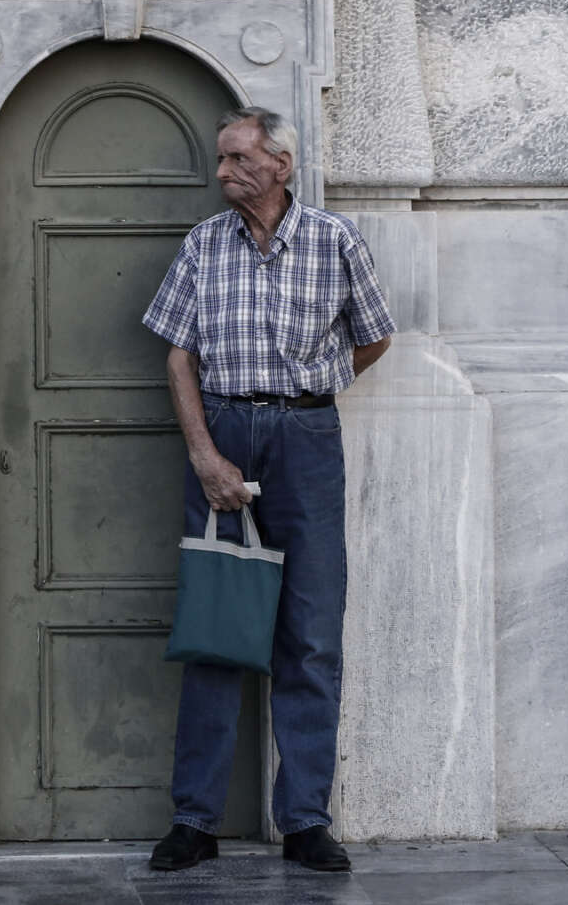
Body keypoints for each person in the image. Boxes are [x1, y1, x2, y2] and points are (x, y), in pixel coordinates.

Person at [140, 105, 395, 874]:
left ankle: (307, 819)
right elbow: (179, 357)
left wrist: (317, 386)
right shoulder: (203, 244)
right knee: (218, 625)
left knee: (311, 633)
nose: (224, 173)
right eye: (222, 159)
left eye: (239, 159)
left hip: (307, 438)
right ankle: (195, 819)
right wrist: (204, 453)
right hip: (222, 430)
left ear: (281, 165)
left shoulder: (334, 239)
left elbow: (375, 333)